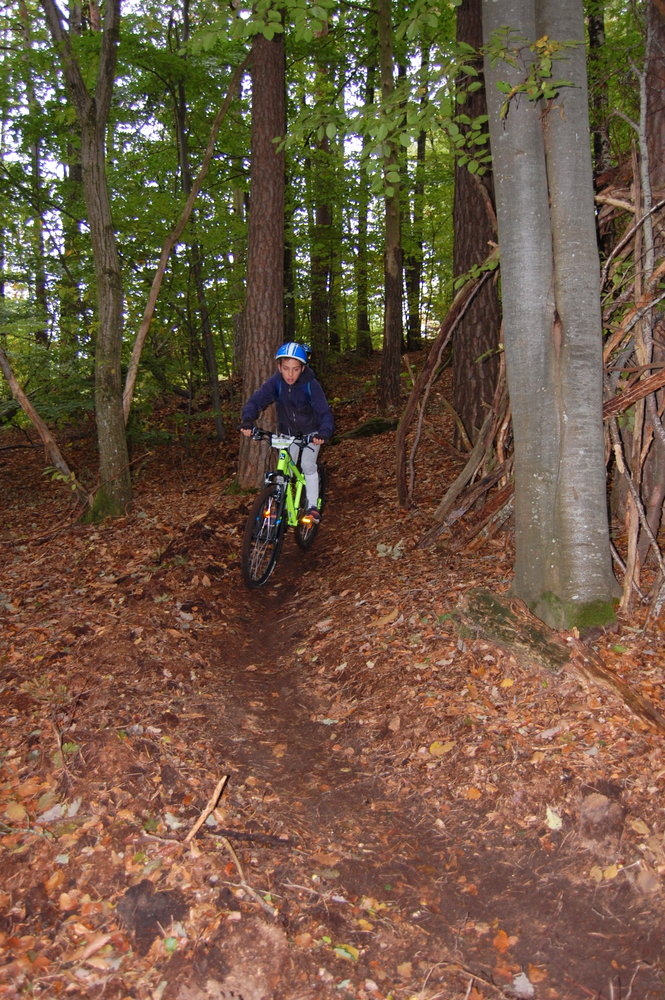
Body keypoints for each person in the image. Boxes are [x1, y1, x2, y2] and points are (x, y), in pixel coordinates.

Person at [240, 342, 334, 523]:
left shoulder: (311, 385)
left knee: (307, 464)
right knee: (284, 469)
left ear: (302, 368)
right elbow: (256, 401)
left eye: (295, 369)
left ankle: (312, 506)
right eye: (286, 368)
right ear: (279, 367)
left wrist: (323, 432)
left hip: (311, 433)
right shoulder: (276, 383)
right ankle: (278, 506)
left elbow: (324, 413)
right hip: (288, 434)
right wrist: (247, 420)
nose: (290, 374)